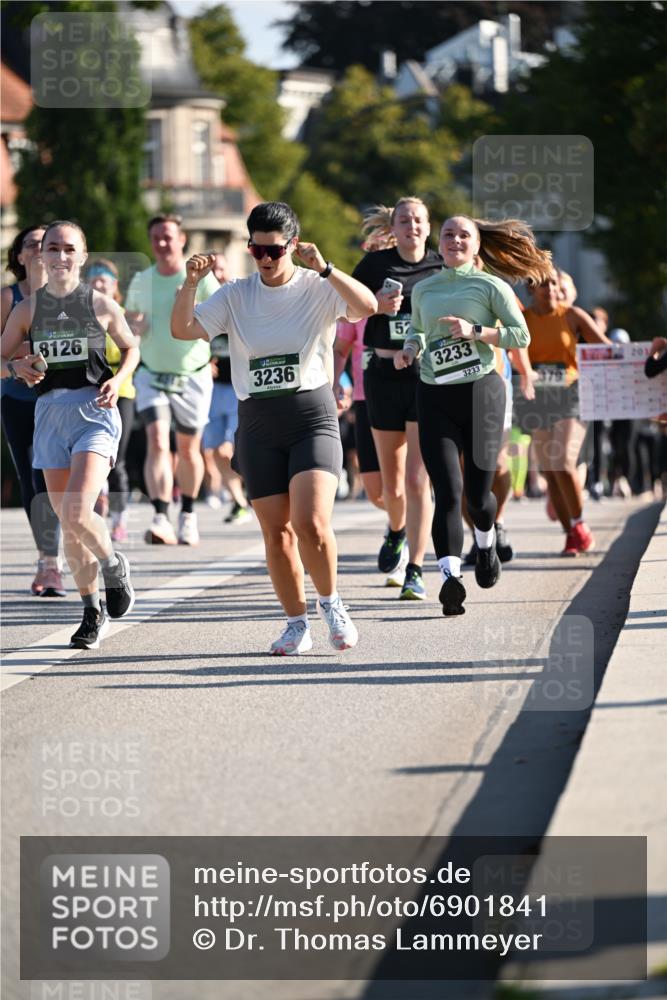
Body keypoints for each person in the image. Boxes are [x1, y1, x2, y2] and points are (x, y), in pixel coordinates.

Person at [171, 201, 377, 654]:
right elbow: (183, 329)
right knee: (276, 532)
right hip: (259, 421)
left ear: (294, 246)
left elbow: (367, 305)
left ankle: (331, 603)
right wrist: (189, 283)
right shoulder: (237, 293)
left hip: (311, 416)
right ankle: (295, 623)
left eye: (274, 251)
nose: (265, 259)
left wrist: (326, 268)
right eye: (257, 250)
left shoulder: (316, 286)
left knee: (310, 523)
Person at [394, 215, 549, 616]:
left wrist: (476, 331)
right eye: (448, 234)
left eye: (465, 235)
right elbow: (418, 330)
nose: (455, 240)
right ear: (439, 243)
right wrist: (410, 349)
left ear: (477, 245)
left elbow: (521, 336)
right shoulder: (424, 289)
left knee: (478, 498)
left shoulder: (491, 285)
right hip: (434, 394)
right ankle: (450, 579)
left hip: (482, 392)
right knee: (446, 490)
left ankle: (485, 544)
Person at [0, 221, 139, 648]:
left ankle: (113, 564)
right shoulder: (27, 309)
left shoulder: (100, 304)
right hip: (49, 412)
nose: (60, 256)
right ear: (41, 257)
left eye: (68, 249)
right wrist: (13, 367)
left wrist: (119, 379)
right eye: (52, 248)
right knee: (68, 520)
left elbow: (131, 347)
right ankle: (91, 609)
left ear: (81, 257)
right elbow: (2, 355)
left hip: (94, 410)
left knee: (78, 511)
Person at [351, 198, 443, 601]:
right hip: (383, 375)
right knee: (390, 485)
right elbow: (345, 310)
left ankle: (417, 568)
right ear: (395, 226)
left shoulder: (443, 266)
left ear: (428, 225)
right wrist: (375, 307)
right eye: (404, 220)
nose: (412, 226)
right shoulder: (374, 266)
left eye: (418, 220)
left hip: (425, 375)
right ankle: (396, 529)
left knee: (418, 478)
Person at [125, 214, 219, 546]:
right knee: (157, 441)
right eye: (156, 238)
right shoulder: (142, 280)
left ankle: (188, 514)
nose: (162, 243)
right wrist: (134, 327)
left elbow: (219, 322)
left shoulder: (201, 279)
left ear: (181, 240)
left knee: (189, 448)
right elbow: (131, 324)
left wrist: (190, 299)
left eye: (168, 237)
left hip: (192, 375)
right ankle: (161, 515)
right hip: (152, 373)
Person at [515, 269, 610, 556]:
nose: (551, 289)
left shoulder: (573, 315)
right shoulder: (523, 318)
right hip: (537, 399)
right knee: (550, 471)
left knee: (564, 462)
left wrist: (646, 356)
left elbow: (607, 349)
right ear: (531, 289)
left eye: (554, 284)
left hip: (571, 395)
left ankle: (580, 524)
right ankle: (570, 533)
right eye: (544, 285)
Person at [1, 225, 66, 597]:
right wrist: (16, 364)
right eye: (33, 244)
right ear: (20, 256)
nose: (42, 249)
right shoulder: (8, 298)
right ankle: (49, 562)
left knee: (64, 481)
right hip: (21, 401)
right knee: (35, 480)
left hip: (67, 399)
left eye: (49, 244)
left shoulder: (70, 296)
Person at [83, 258, 135, 541]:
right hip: (88, 395)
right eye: (93, 278)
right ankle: (95, 507)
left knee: (118, 460)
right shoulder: (75, 314)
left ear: (115, 285)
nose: (99, 283)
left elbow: (130, 352)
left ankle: (119, 518)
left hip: (121, 393)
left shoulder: (121, 314)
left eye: (104, 279)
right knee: (90, 456)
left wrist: (114, 380)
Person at [200, 253, 252, 524]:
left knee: (229, 450)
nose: (216, 275)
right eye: (211, 271)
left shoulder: (240, 300)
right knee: (215, 452)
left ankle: (257, 489)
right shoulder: (203, 305)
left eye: (220, 269)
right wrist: (203, 361)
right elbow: (189, 341)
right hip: (211, 389)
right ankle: (239, 501)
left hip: (238, 388)